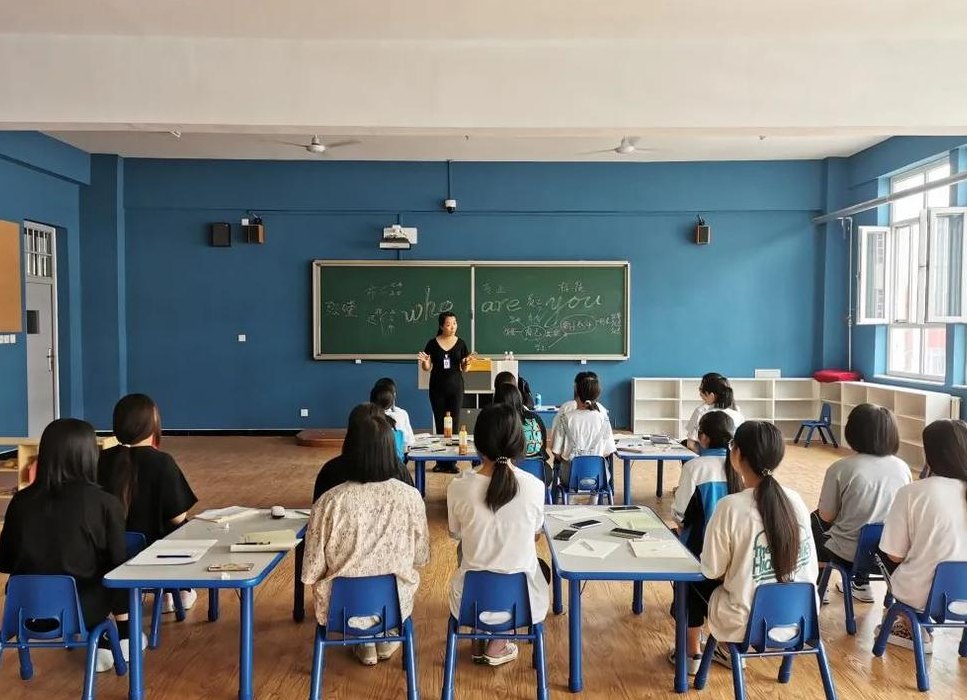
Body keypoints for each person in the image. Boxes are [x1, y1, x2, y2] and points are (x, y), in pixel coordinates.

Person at [0, 418, 133, 672]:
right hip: (83, 612)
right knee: (114, 570)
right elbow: (119, 570)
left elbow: (5, 561)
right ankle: (123, 638)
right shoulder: (105, 503)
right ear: (88, 455)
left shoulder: (21, 501)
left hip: (23, 612)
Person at [302, 408, 430, 667]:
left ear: (348, 447)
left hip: (341, 608)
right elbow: (421, 556)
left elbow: (310, 572)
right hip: (395, 603)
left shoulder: (330, 501)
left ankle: (364, 641)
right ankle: (384, 632)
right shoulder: (409, 496)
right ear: (389, 447)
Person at [690, 421, 817, 673]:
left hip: (746, 623)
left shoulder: (730, 506)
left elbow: (711, 569)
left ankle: (694, 654)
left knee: (690, 584)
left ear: (736, 454)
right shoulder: (796, 499)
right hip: (800, 619)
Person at [446, 403, 549, 666]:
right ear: (519, 442)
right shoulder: (535, 487)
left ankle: (483, 634)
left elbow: (454, 533)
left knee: (470, 552)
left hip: (469, 601)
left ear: (477, 444)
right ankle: (499, 641)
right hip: (523, 603)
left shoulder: (458, 487)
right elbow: (536, 534)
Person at [98, 393, 199, 613]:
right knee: (187, 527)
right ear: (152, 425)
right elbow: (178, 517)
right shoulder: (162, 462)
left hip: (105, 555)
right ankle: (181, 589)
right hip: (152, 555)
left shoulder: (101, 460)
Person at [876, 419, 967, 652]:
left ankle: (910, 625)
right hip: (962, 597)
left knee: (880, 550)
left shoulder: (913, 493)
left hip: (925, 597)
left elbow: (894, 555)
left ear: (930, 454)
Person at [813, 404, 910, 603]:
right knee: (873, 524)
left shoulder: (841, 468)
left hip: (848, 553)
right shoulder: (902, 468)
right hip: (888, 553)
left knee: (813, 522)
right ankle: (861, 584)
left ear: (853, 432)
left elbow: (826, 515)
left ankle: (817, 588)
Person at [669, 410, 742, 670]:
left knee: (686, 588)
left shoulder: (695, 467)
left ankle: (692, 653)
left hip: (700, 553)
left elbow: (679, 515)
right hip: (738, 557)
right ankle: (728, 648)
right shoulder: (740, 467)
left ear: (703, 437)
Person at [313, 403, 413, 502]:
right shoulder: (400, 471)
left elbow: (318, 510)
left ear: (350, 435)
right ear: (388, 437)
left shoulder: (330, 471)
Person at [417, 311, 476, 473]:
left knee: (454, 424)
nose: (452, 327)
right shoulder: (432, 343)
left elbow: (465, 369)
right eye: (449, 324)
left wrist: (466, 363)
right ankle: (440, 462)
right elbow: (427, 368)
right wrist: (425, 363)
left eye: (455, 323)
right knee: (440, 423)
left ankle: (451, 462)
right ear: (441, 326)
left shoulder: (461, 343)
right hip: (437, 388)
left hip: (456, 388)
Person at [551, 373, 616, 492]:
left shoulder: (566, 418)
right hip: (598, 477)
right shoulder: (603, 419)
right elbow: (608, 452)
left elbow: (556, 452)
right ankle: (594, 500)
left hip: (569, 477)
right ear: (597, 394)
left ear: (577, 393)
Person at [683, 373, 744, 451]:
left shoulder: (701, 411)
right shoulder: (738, 413)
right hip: (732, 459)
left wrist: (701, 460)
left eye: (703, 394)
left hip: (706, 457)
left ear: (711, 395)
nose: (700, 395)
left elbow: (690, 445)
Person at [492, 383, 548, 465]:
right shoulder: (535, 418)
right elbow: (543, 446)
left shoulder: (498, 423)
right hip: (540, 470)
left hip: (509, 471)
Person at [371, 377, 415, 451]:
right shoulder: (402, 414)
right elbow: (410, 442)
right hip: (396, 460)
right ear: (394, 396)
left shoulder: (364, 415)